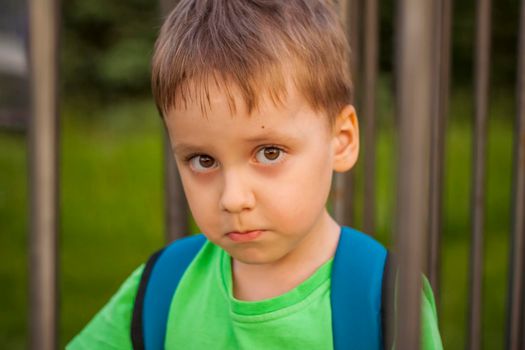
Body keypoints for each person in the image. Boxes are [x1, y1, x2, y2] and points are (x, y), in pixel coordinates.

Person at [67, 0, 443, 349]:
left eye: (269, 152)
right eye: (202, 160)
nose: (232, 198)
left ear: (341, 140)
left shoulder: (385, 301)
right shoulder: (161, 288)